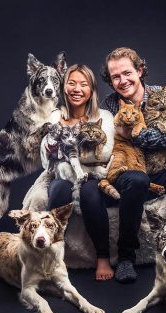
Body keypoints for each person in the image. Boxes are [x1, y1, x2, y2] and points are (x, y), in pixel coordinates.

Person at [100, 47, 166, 283]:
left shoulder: (164, 95)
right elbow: (106, 142)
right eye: (115, 76)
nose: (122, 80)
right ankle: (127, 257)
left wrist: (136, 136)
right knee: (136, 180)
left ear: (139, 70)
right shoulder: (109, 105)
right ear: (110, 80)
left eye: (127, 73)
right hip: (129, 175)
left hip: (159, 173)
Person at [42, 64, 116, 281]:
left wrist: (69, 148)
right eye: (71, 83)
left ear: (91, 90)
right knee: (58, 191)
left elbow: (106, 152)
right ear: (64, 88)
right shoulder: (55, 115)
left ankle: (103, 256)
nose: (77, 88)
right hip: (63, 174)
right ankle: (51, 255)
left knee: (90, 192)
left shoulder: (104, 115)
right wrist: (68, 150)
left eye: (83, 84)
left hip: (95, 175)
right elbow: (47, 156)